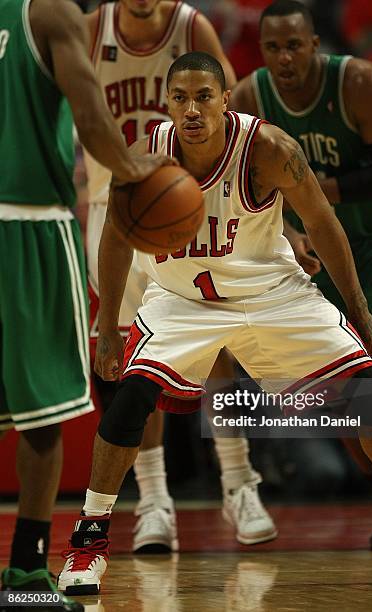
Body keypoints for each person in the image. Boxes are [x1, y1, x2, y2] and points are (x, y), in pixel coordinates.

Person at [57, 51, 372, 595]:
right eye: (180, 98)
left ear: (224, 99)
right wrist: (108, 326)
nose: (191, 109)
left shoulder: (269, 149)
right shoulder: (147, 157)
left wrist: (360, 311)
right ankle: (89, 541)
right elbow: (115, 237)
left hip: (272, 293)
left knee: (367, 387)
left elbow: (323, 223)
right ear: (166, 103)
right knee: (130, 398)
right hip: (182, 299)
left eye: (203, 96)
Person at [228, 0, 372, 550]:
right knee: (334, 386)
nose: (283, 57)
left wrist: (327, 191)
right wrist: (291, 232)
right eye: (273, 47)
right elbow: (249, 185)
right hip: (312, 248)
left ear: (315, 44)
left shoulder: (360, 82)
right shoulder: (252, 97)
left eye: (294, 45)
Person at [84, 0, 276, 553]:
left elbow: (230, 101)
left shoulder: (191, 26)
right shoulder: (90, 30)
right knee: (131, 361)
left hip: (190, 203)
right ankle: (153, 500)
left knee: (218, 346)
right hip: (116, 208)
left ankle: (239, 482)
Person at [0, 0, 169, 608]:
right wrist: (132, 168)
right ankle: (23, 576)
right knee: (44, 416)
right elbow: (93, 117)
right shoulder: (50, 13)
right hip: (26, 225)